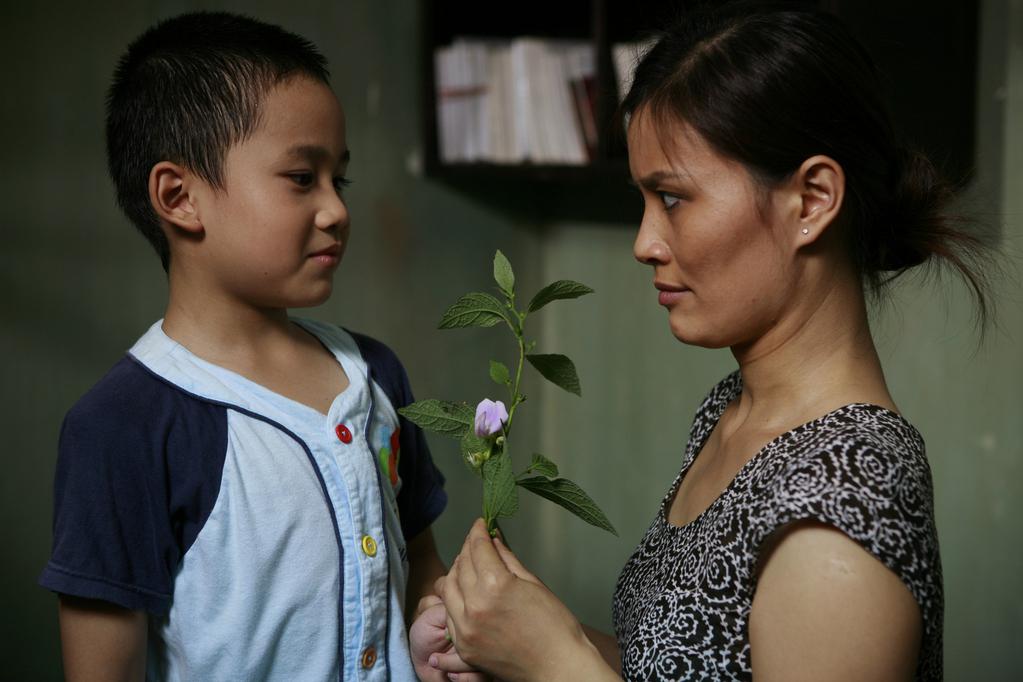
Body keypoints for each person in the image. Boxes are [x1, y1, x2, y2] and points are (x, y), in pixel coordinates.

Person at [428, 5, 992, 681]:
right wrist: (526, 636)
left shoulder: (845, 503)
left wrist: (552, 661)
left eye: (671, 198)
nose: (643, 243)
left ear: (811, 200)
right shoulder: (735, 412)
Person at [38, 12, 479, 681]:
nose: (336, 209)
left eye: (341, 180)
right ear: (179, 197)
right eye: (302, 178)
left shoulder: (374, 375)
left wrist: (434, 631)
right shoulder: (121, 429)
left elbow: (418, 561)